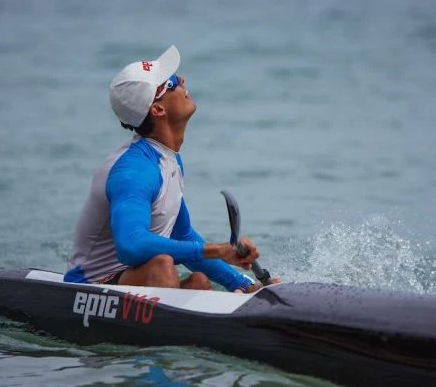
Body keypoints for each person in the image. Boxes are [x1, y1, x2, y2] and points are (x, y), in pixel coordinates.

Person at [66, 45, 277, 292]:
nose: (182, 80)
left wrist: (244, 285)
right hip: (88, 288)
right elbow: (130, 245)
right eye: (172, 82)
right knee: (162, 266)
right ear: (158, 109)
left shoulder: (167, 160)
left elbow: (182, 236)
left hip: (130, 282)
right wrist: (215, 250)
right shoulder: (134, 171)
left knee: (198, 281)